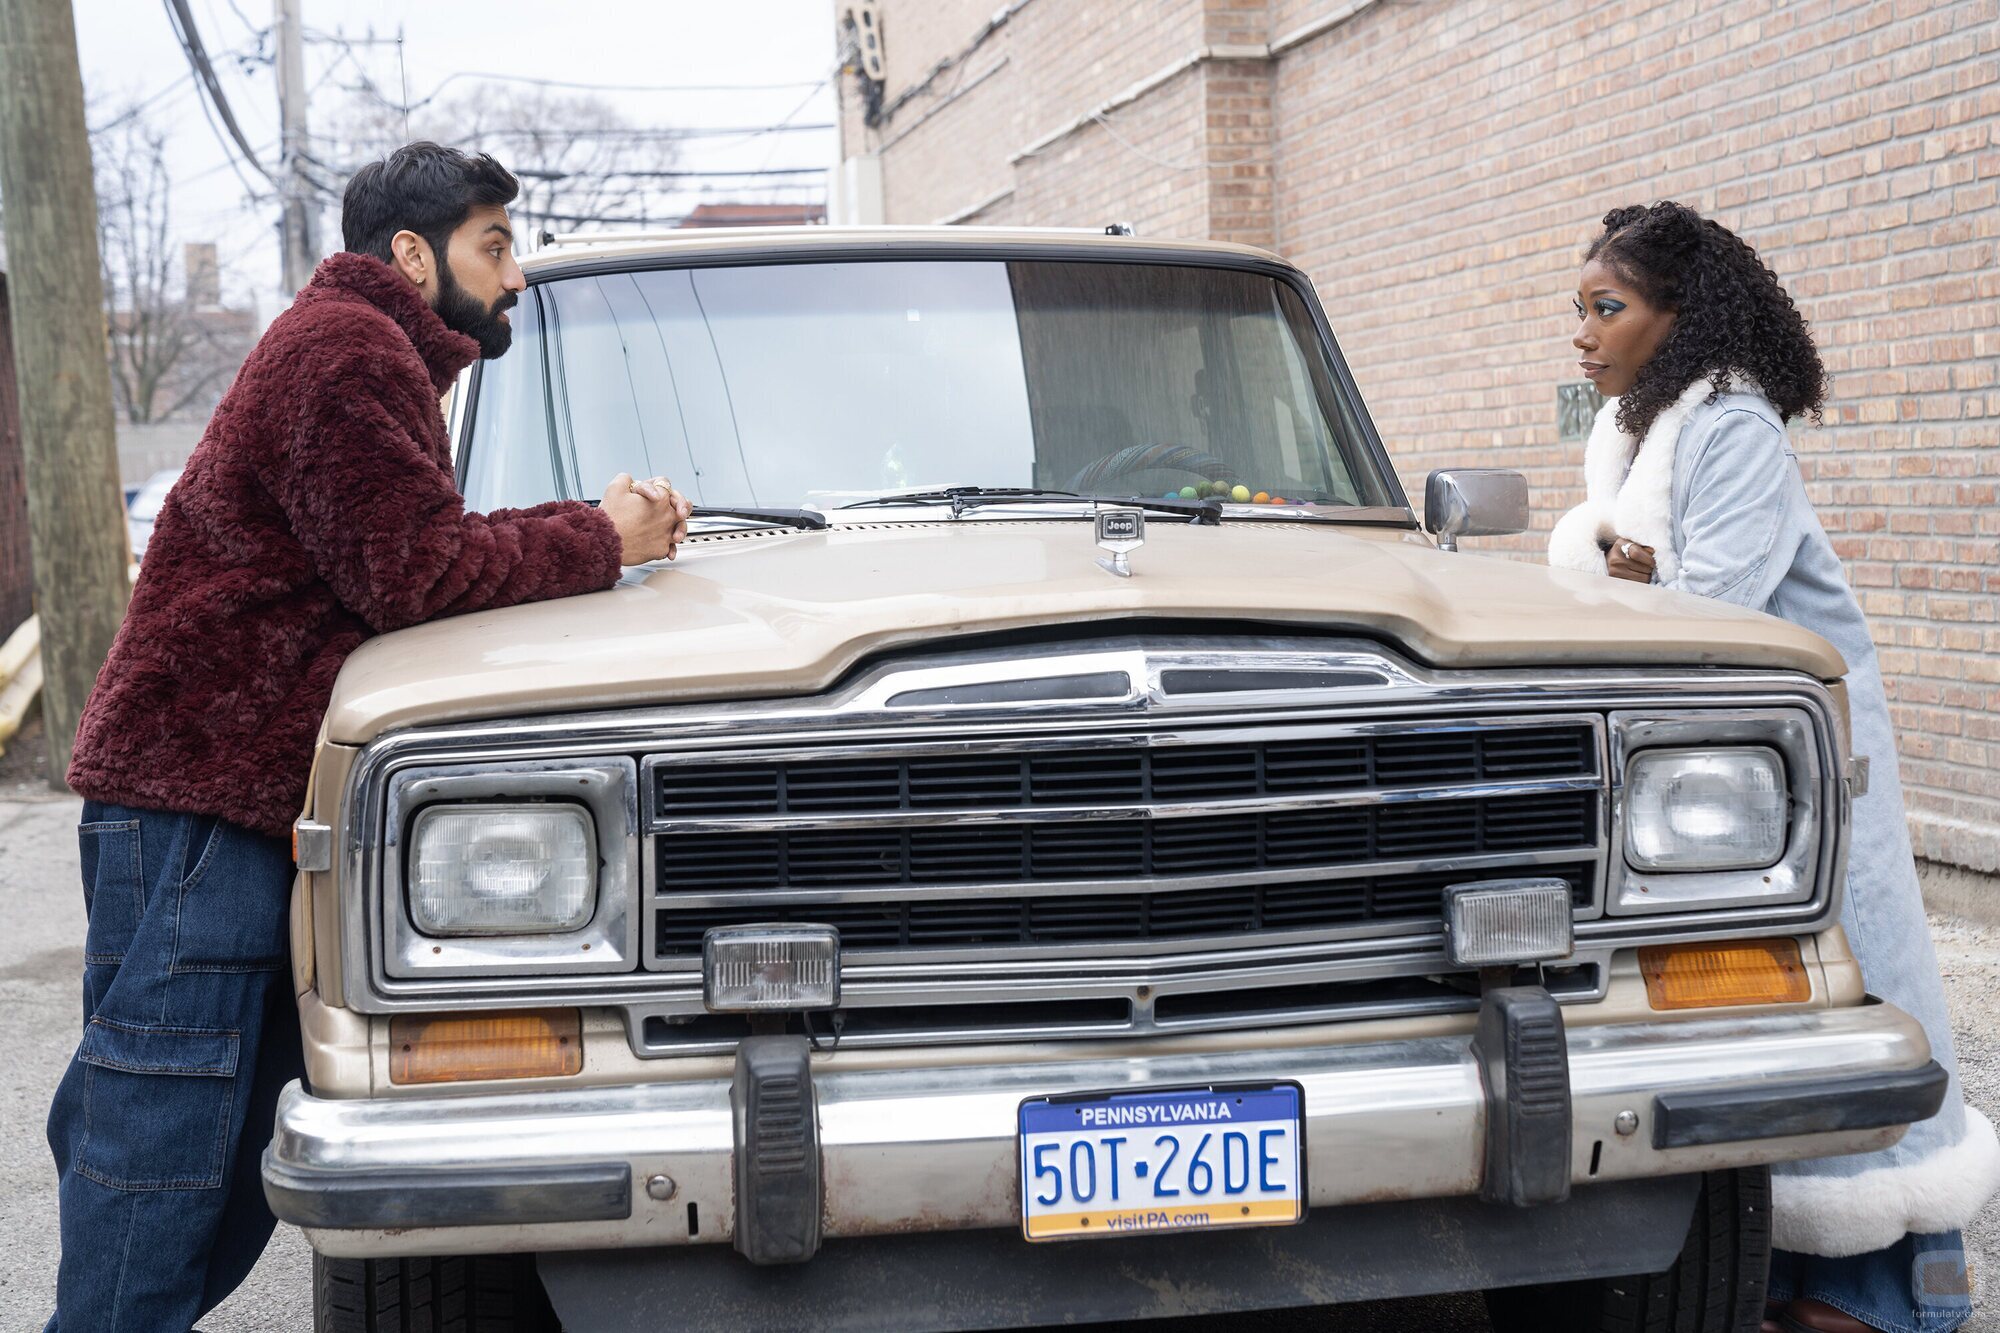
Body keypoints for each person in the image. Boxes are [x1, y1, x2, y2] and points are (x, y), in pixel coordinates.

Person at [45, 142, 689, 1331]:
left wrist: (584, 529)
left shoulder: (371, 354)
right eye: (494, 244)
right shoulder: (346, 352)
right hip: (193, 798)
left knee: (221, 1138)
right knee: (161, 1132)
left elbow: (402, 542)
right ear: (410, 252)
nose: (515, 273)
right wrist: (602, 537)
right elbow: (417, 571)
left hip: (233, 799)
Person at [1550, 201, 1998, 1333]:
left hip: (1807, 748)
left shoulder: (1727, 418)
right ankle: (1790, 1278)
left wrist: (1634, 573)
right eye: (1578, 310)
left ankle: (1886, 1295)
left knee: (1862, 991)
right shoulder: (1642, 429)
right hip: (1726, 769)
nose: (1581, 333)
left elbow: (1722, 605)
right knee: (1763, 1006)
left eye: (1605, 307)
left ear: (1677, 316)